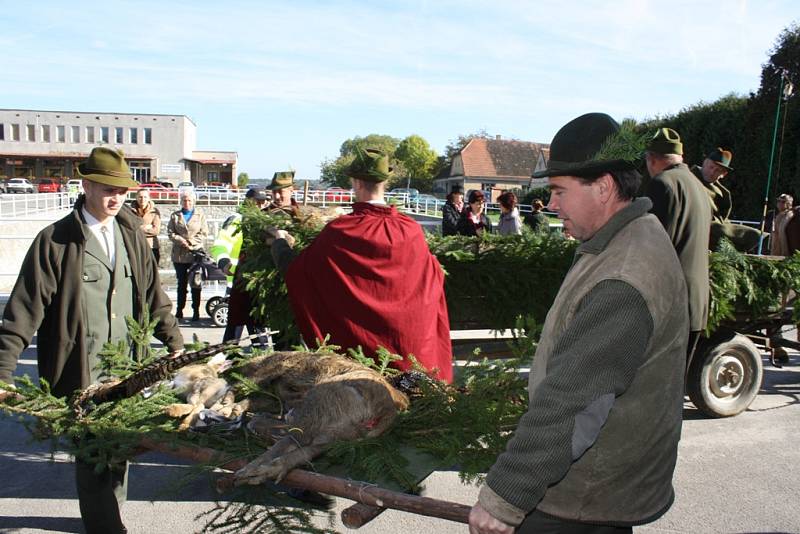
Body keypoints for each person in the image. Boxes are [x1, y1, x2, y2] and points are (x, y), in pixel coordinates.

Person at [469, 113, 688, 534]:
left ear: (603, 187)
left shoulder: (622, 277)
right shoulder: (625, 237)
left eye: (558, 191)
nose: (551, 205)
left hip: (583, 501)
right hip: (597, 490)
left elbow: (573, 406)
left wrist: (504, 499)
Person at [0, 147, 184, 534]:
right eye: (106, 189)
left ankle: (110, 514)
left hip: (129, 371)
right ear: (86, 186)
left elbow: (155, 297)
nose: (115, 198)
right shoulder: (55, 241)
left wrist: (176, 346)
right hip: (81, 372)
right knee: (93, 452)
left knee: (120, 449)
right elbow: (22, 311)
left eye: (122, 190)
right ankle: (106, 526)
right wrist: (3, 371)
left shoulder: (131, 231)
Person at [268, 147, 453, 382]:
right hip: (412, 360)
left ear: (356, 183)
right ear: (385, 181)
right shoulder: (411, 230)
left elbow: (299, 273)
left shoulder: (342, 230)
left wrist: (279, 243)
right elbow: (433, 277)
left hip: (362, 369)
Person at [644, 127, 712, 359]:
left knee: (652, 389)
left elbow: (652, 249)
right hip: (694, 305)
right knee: (673, 388)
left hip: (668, 306)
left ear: (652, 159)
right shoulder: (699, 187)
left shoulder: (663, 184)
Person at [210, 186, 270, 343]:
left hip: (257, 285)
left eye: (262, 202)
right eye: (256, 202)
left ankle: (259, 356)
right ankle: (229, 358)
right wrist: (224, 262)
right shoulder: (237, 220)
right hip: (238, 282)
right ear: (248, 201)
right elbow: (220, 243)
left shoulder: (266, 221)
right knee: (234, 330)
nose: (260, 206)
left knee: (258, 330)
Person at [691, 147, 760, 251]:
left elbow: (722, 218)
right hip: (698, 228)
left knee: (756, 235)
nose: (712, 172)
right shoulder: (689, 179)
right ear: (704, 163)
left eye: (717, 170)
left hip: (716, 231)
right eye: (711, 167)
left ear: (723, 174)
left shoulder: (722, 192)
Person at [168, 190, 209, 321]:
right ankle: (180, 310)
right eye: (185, 200)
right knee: (182, 284)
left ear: (193, 201)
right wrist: (181, 241)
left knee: (196, 283)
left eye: (189, 200)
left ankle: (196, 310)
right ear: (181, 201)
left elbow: (204, 233)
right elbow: (170, 233)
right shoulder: (175, 215)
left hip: (195, 254)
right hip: (179, 255)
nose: (187, 202)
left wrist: (191, 242)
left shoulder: (200, 215)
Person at [131, 187, 162, 264]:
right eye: (140, 197)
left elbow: (156, 230)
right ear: (136, 198)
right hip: (135, 246)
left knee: (152, 272)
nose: (142, 199)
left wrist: (139, 228)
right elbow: (130, 229)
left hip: (151, 246)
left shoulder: (154, 212)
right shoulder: (130, 211)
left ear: (149, 198)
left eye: (145, 197)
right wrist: (147, 227)